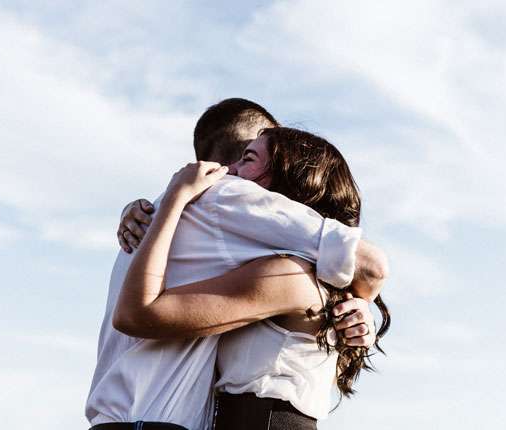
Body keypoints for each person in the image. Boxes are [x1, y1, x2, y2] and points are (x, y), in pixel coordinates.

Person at [86, 99, 387, 430]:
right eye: (246, 156)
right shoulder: (226, 209)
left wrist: (359, 303)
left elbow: (369, 265)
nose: (231, 175)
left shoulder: (290, 275)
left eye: (251, 160)